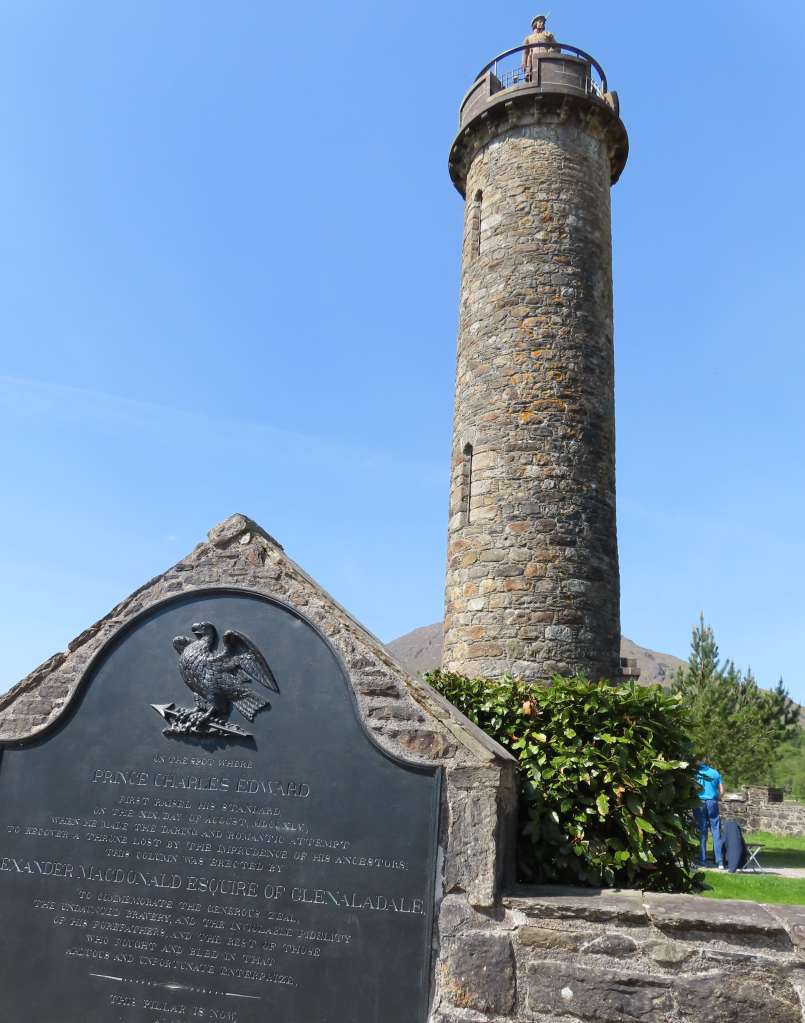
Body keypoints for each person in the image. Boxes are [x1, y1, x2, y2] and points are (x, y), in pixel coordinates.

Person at [694, 762, 724, 868]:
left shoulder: (695, 772)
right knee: (715, 830)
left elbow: (692, 788)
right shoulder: (715, 773)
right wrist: (717, 798)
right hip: (712, 802)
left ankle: (702, 860)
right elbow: (722, 790)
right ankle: (719, 861)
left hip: (699, 802)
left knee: (702, 831)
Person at [522, 15, 559, 79]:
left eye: (543, 23)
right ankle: (528, 75)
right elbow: (525, 52)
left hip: (545, 58)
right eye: (540, 22)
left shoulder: (547, 35)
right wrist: (523, 63)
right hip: (533, 60)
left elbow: (558, 48)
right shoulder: (528, 38)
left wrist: (551, 37)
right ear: (535, 24)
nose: (542, 24)